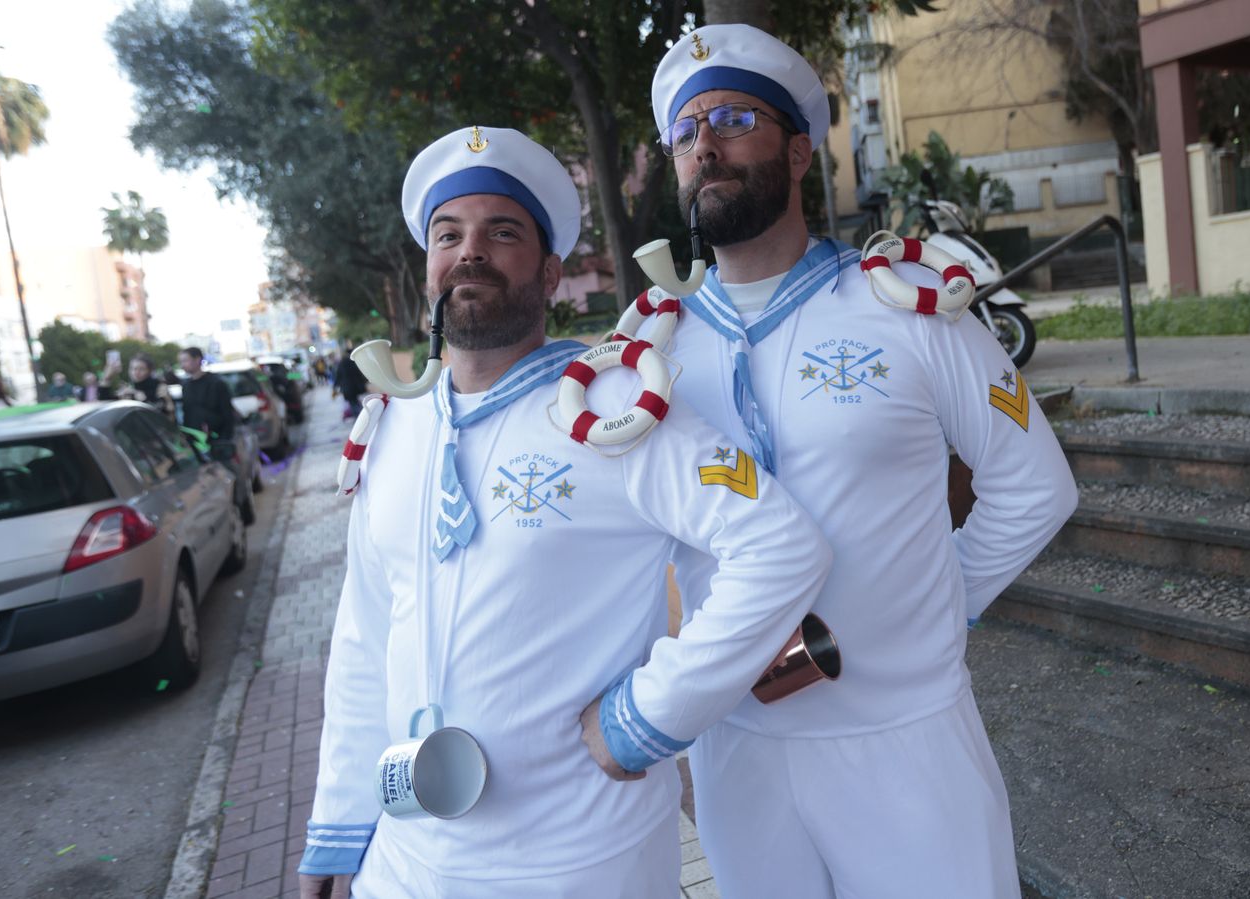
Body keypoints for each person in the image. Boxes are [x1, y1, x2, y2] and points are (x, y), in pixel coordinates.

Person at [297, 125, 831, 899]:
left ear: (550, 273)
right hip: (407, 864)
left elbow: (782, 546)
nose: (469, 251)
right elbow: (363, 638)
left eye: (501, 232)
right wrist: (337, 828)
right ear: (428, 269)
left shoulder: (616, 406)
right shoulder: (392, 428)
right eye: (449, 234)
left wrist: (648, 714)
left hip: (579, 863)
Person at [646, 25, 1079, 898]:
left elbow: (1036, 487)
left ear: (800, 149)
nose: (706, 146)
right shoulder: (651, 350)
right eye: (686, 133)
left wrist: (936, 608)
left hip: (906, 738)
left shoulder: (910, 308)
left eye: (732, 118)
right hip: (740, 746)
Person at [177, 347, 236, 458]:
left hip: (217, 440)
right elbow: (187, 412)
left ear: (197, 359)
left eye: (185, 360)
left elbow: (227, 413)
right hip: (195, 441)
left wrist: (224, 439)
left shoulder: (216, 383)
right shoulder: (185, 385)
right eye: (181, 362)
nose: (182, 365)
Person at [116, 353, 175, 418]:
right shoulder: (129, 389)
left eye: (141, 369)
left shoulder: (159, 387)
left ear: (149, 371)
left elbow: (169, 417)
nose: (136, 372)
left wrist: (144, 401)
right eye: (132, 368)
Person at [332, 345, 366, 419]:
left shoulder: (342, 363)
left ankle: (360, 417)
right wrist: (364, 383)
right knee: (355, 402)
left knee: (353, 403)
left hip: (346, 388)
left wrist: (334, 387)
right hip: (355, 387)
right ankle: (361, 416)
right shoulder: (353, 362)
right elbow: (359, 374)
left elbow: (338, 376)